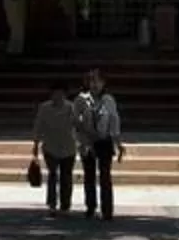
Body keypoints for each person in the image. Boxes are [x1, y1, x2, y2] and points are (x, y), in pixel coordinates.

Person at [77, 68, 122, 221]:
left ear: (103, 83)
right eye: (92, 81)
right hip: (88, 141)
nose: (95, 85)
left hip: (104, 141)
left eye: (98, 81)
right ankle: (90, 206)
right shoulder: (82, 99)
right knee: (89, 176)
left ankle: (107, 210)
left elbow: (114, 121)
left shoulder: (108, 100)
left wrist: (118, 142)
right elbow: (76, 121)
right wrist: (80, 141)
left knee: (105, 176)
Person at [30, 85, 80, 216]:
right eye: (55, 94)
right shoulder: (44, 108)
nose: (58, 97)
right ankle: (52, 203)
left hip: (68, 147)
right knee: (52, 175)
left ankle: (65, 205)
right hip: (50, 147)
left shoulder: (71, 108)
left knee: (66, 176)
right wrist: (35, 144)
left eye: (61, 94)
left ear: (65, 95)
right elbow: (38, 126)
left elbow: (79, 125)